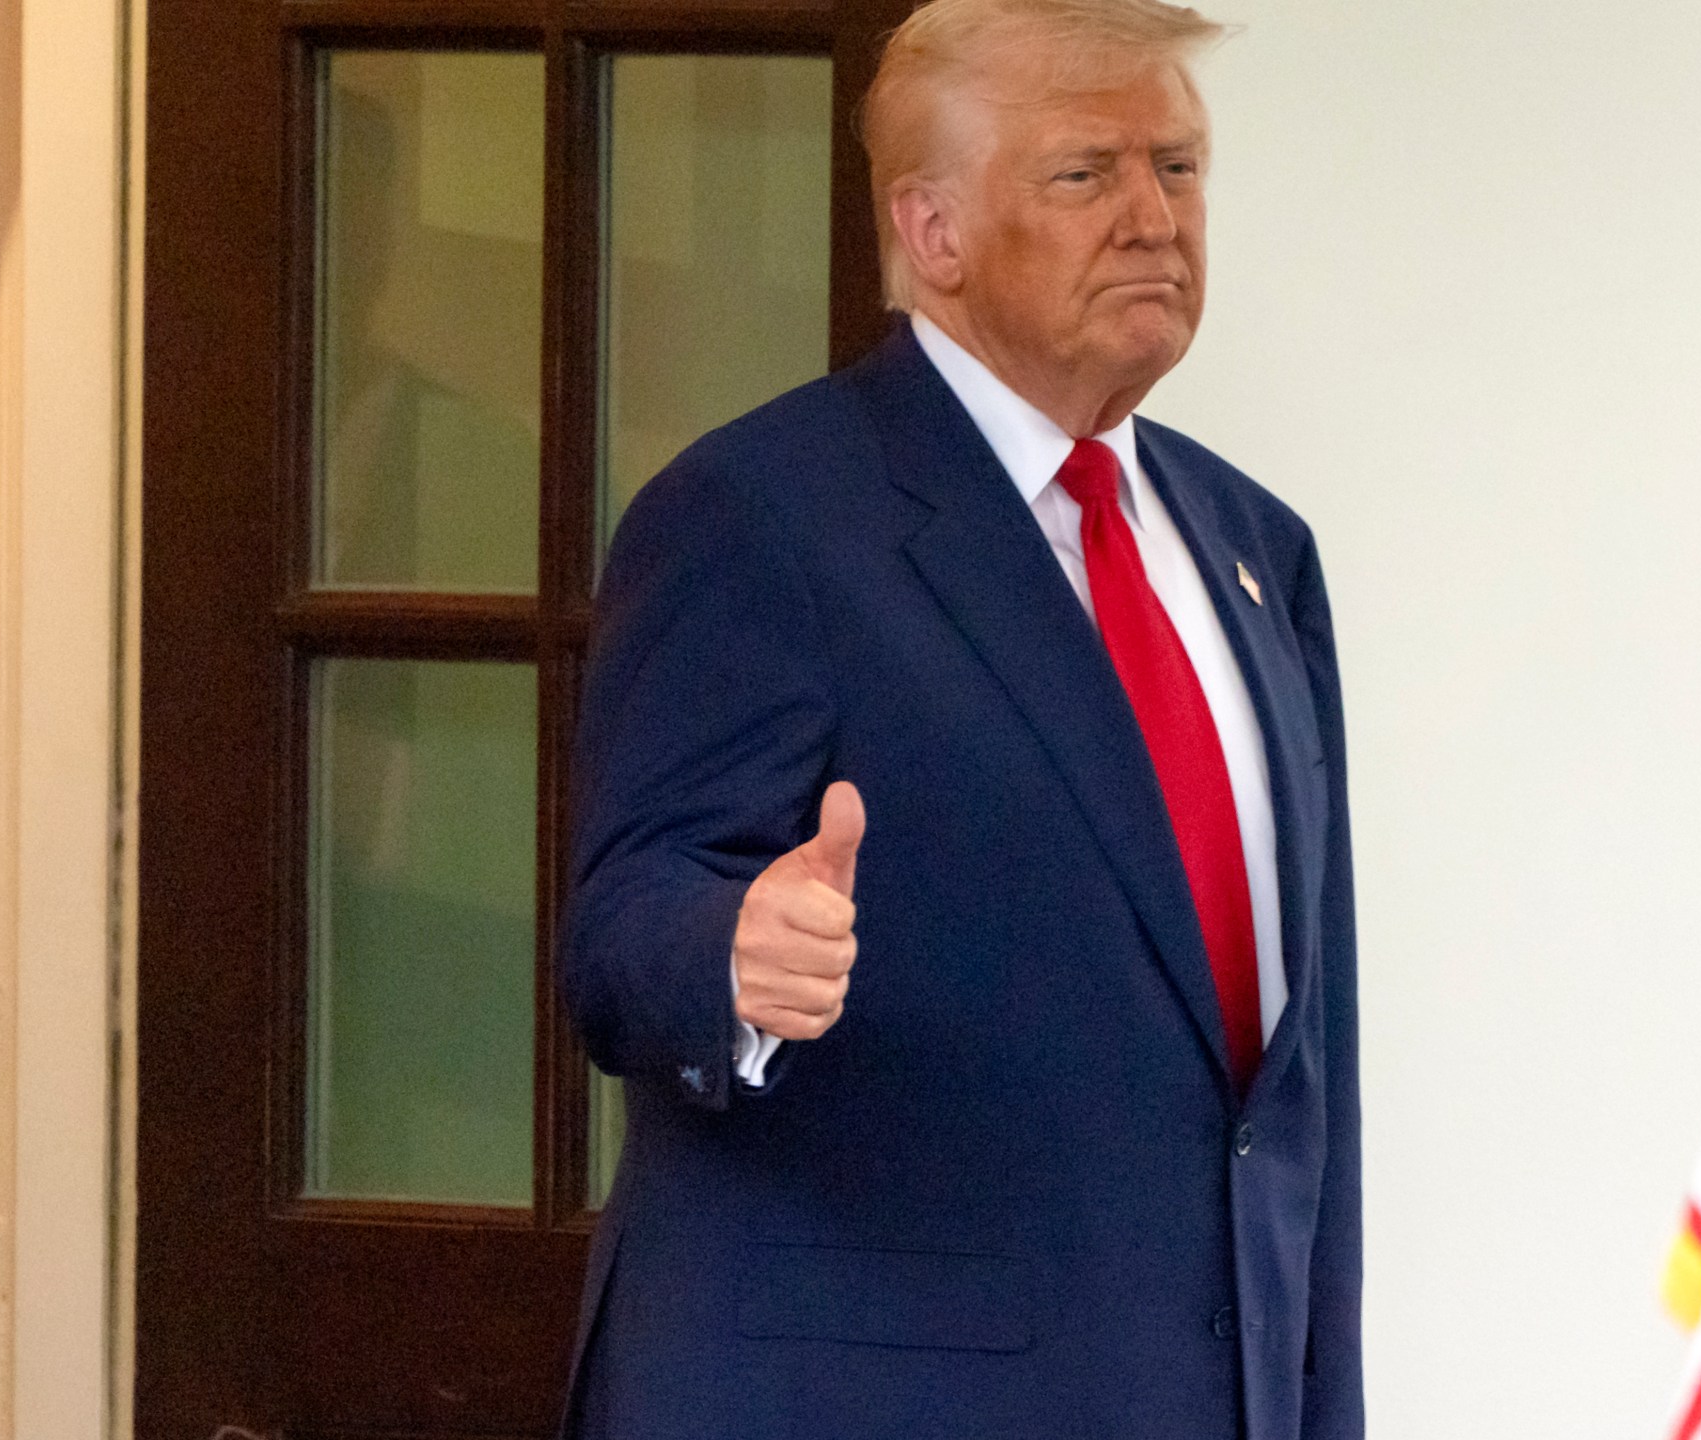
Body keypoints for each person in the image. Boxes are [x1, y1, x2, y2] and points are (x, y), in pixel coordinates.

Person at [560, 1, 1360, 1434]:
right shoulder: (760, 516)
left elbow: (1301, 1094)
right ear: (931, 233)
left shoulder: (1257, 550)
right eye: (1085, 174)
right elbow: (624, 923)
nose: (1153, 219)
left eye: (1178, 168)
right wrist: (729, 952)